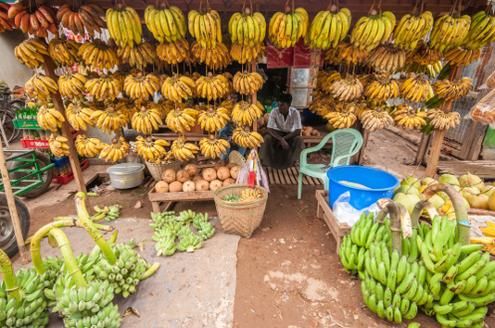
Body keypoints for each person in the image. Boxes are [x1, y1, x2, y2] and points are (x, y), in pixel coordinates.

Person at [260, 93, 304, 169]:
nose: (280, 107)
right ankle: (264, 163)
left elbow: (298, 130)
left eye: (282, 105)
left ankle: (296, 162)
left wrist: (284, 139)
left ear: (289, 105)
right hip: (276, 134)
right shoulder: (274, 111)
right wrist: (280, 139)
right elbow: (269, 129)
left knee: (299, 139)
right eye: (279, 105)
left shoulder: (295, 112)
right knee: (267, 138)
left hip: (290, 135)